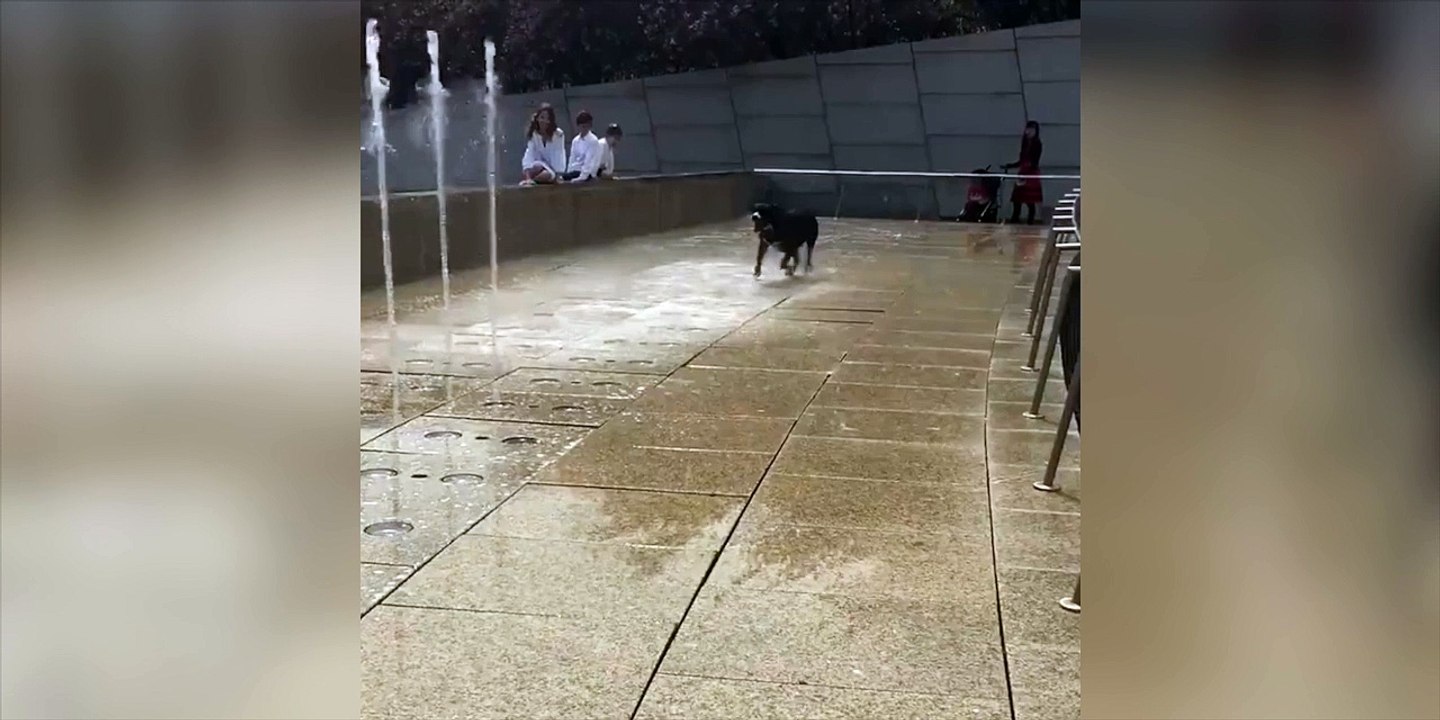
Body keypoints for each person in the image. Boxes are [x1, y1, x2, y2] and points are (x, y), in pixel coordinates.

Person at [1003, 120, 1044, 224]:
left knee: (1030, 201)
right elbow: (1021, 160)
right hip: (1023, 171)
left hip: (1031, 173)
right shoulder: (1024, 143)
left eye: (1032, 129)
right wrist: (1010, 165)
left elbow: (1034, 161)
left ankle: (1030, 221)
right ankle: (1015, 219)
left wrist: (1026, 174)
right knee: (1017, 200)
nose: (1029, 131)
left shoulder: (1037, 144)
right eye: (1028, 129)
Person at [520, 103, 566, 185]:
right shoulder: (534, 134)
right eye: (542, 117)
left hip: (552, 169)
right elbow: (529, 153)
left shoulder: (558, 134)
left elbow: (559, 153)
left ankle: (533, 181)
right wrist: (527, 172)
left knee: (546, 175)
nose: (544, 121)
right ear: (537, 118)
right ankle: (529, 180)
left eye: (547, 118)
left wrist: (558, 174)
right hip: (538, 166)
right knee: (533, 168)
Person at [560, 110, 601, 182]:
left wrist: (582, 177)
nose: (584, 129)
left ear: (589, 126)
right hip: (575, 171)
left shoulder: (593, 140)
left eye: (586, 126)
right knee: (561, 178)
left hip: (587, 173)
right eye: (582, 126)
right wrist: (569, 173)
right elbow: (572, 159)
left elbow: (589, 162)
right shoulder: (575, 140)